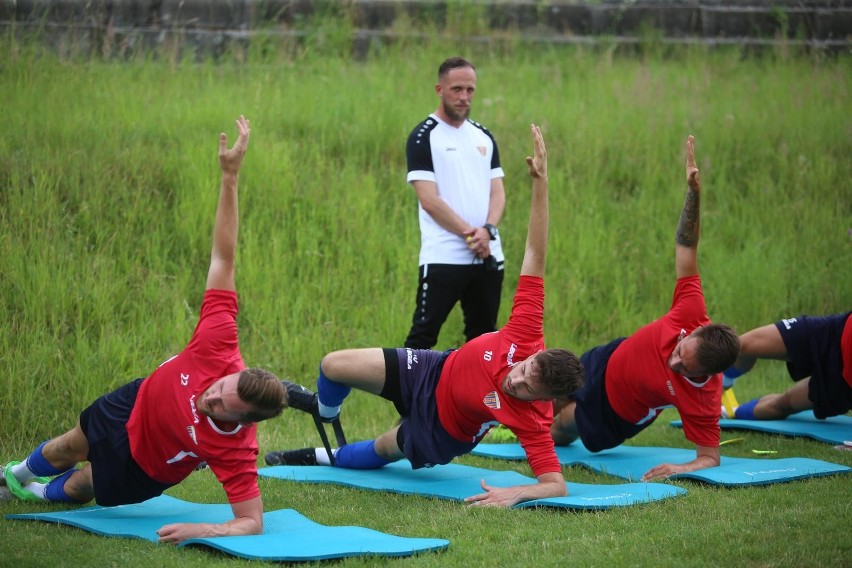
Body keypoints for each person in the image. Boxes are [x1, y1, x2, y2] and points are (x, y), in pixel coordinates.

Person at [0, 116, 288, 544]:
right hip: (133, 403)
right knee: (67, 446)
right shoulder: (220, 344)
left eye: (222, 403)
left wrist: (203, 528)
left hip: (147, 463)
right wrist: (230, 177)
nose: (211, 394)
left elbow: (252, 522)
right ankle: (11, 476)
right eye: (221, 386)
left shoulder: (237, 450)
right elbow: (223, 261)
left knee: (82, 485)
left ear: (243, 420)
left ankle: (38, 493)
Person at [267, 125, 585, 507]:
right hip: (432, 370)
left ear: (546, 399)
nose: (516, 379)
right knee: (334, 365)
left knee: (383, 449)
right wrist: (540, 184)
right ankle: (322, 409)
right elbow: (536, 255)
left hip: (444, 430)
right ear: (534, 355)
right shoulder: (526, 332)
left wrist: (516, 493)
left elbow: (555, 484)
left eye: (529, 388)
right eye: (525, 369)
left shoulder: (533, 420)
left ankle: (320, 457)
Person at [549, 135, 740, 482]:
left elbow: (710, 457)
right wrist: (694, 194)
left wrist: (682, 467)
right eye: (682, 351)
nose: (675, 362)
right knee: (553, 388)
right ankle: (523, 420)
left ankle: (541, 430)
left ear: (709, 376)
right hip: (610, 359)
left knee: (561, 427)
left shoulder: (705, 399)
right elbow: (686, 246)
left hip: (617, 412)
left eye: (686, 369)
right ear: (695, 331)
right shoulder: (691, 310)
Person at [403, 56, 506, 349]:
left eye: (470, 90)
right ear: (440, 89)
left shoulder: (483, 136)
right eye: (456, 89)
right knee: (421, 339)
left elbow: (497, 192)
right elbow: (429, 200)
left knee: (485, 340)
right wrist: (470, 234)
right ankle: (407, 395)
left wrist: (487, 230)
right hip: (444, 257)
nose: (464, 97)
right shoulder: (423, 137)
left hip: (487, 255)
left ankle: (473, 396)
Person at [720, 312, 851, 420]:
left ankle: (730, 412)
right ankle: (722, 381)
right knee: (743, 345)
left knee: (784, 403)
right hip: (837, 331)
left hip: (844, 382)